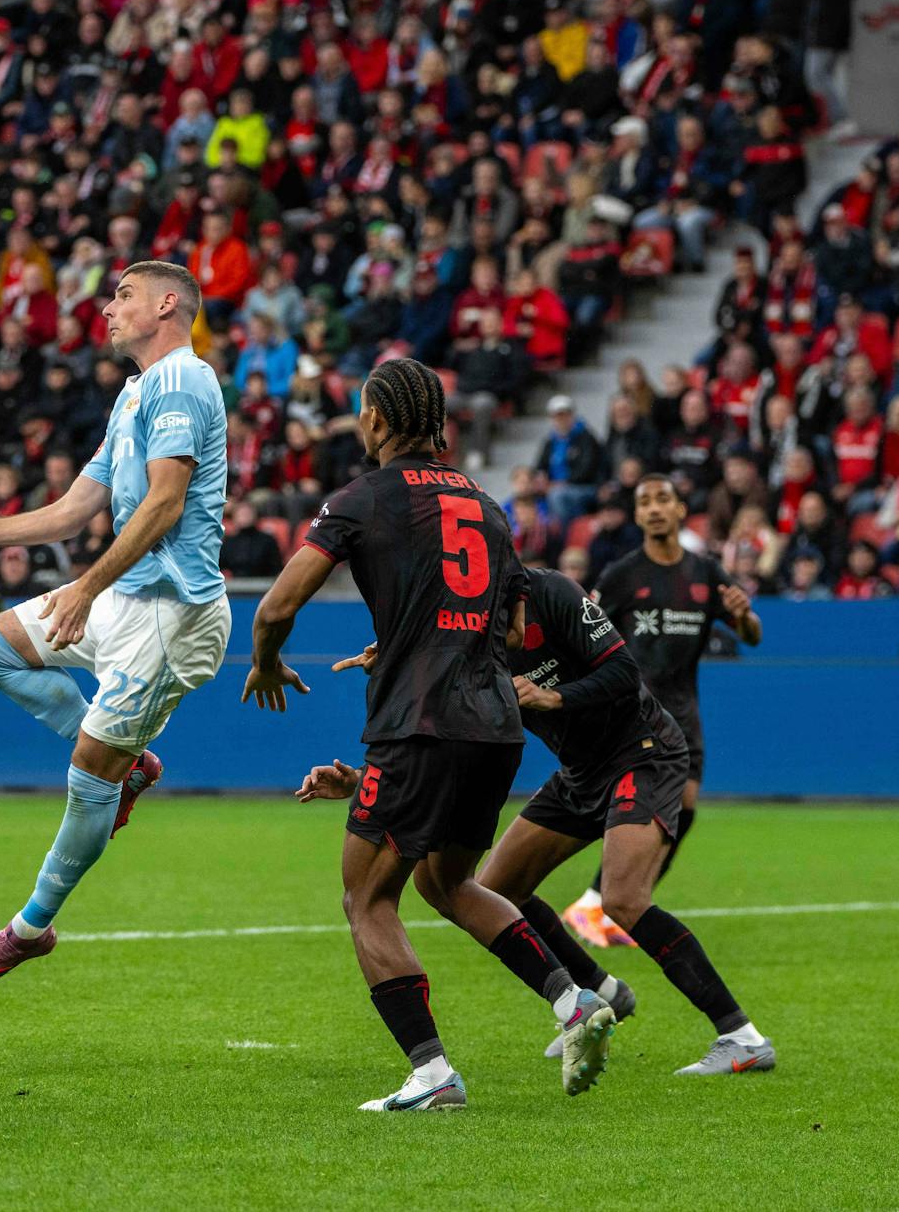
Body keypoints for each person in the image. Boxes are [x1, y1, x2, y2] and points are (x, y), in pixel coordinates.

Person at [244, 358, 617, 1112]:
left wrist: (267, 660)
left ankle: (430, 1071)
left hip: (419, 721)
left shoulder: (362, 498)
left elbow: (276, 605)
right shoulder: (486, 504)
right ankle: (572, 999)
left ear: (378, 421)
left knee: (366, 896)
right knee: (446, 880)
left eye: (361, 411)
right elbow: (512, 625)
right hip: (495, 725)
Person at [0, 262, 233, 985]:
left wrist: (86, 586)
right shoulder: (134, 394)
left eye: (124, 294)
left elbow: (164, 504)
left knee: (86, 773)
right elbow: (74, 508)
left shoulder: (183, 378)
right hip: (124, 596)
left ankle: (30, 926)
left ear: (168, 303)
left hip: (169, 616)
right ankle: (129, 766)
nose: (109, 307)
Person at [466, 561, 777, 1075]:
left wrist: (554, 696)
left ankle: (741, 1036)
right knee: (495, 889)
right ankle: (603, 994)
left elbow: (624, 671)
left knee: (623, 899)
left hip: (642, 751)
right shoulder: (464, 623)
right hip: (579, 772)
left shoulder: (554, 594)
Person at [564, 475, 764, 948]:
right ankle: (596, 902)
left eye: (663, 500)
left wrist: (743, 615)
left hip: (685, 711)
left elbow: (752, 634)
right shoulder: (621, 575)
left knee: (685, 810)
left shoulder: (706, 573)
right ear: (637, 516)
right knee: (638, 810)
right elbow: (583, 632)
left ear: (679, 511)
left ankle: (624, 900)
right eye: (645, 502)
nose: (654, 509)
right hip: (636, 714)